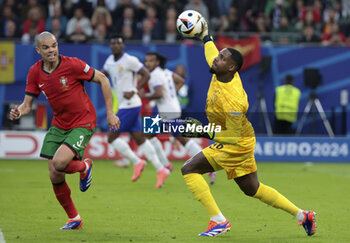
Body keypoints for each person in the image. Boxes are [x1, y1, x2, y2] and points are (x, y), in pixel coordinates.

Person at [180, 20, 316, 237]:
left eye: (223, 58)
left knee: (189, 169)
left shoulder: (233, 100)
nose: (217, 58)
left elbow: (232, 137)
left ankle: (218, 221)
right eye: (220, 55)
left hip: (235, 142)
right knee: (252, 189)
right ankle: (303, 215)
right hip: (242, 138)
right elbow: (211, 53)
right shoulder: (220, 70)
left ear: (232, 67)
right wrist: (206, 36)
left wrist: (202, 131)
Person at [9, 31, 120, 230]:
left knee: (60, 163)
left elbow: (103, 79)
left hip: (83, 120)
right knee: (55, 174)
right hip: (60, 124)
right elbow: (27, 105)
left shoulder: (72, 64)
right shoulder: (35, 72)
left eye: (54, 45)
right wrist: (19, 111)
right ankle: (74, 219)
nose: (51, 50)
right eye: (46, 47)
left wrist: (110, 114)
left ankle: (84, 167)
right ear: (38, 50)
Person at [101, 34, 170, 188]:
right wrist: (86, 75)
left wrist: (134, 89)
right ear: (110, 45)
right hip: (126, 105)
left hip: (130, 104)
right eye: (113, 43)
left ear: (123, 45)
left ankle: (137, 162)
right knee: (140, 139)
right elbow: (102, 74)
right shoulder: (109, 61)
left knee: (111, 137)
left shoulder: (130, 60)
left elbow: (146, 74)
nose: (116, 45)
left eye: (119, 43)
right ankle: (161, 169)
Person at [139, 52, 204, 173]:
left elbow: (158, 93)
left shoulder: (154, 75)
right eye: (146, 61)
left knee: (182, 139)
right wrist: (172, 95)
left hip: (168, 111)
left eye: (151, 61)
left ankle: (207, 163)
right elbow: (181, 81)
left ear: (157, 62)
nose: (148, 64)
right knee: (148, 134)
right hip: (170, 108)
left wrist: (145, 95)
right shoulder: (166, 72)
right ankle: (166, 165)